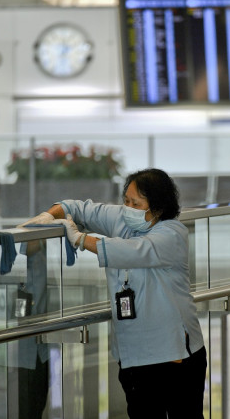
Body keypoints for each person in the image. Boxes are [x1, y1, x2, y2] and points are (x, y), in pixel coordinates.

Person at [21, 168, 206, 418]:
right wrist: (45, 217)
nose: (127, 207)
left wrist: (79, 239)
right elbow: (75, 207)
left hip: (174, 356)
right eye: (126, 200)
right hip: (133, 356)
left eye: (136, 203)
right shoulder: (122, 219)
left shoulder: (172, 234)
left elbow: (134, 250)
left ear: (159, 207)